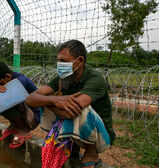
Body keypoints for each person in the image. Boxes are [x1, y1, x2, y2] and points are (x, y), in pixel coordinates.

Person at [25, 40, 115, 168]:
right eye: (58, 60)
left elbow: (72, 110)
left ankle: (91, 154)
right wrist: (54, 100)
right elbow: (30, 99)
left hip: (100, 136)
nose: (59, 65)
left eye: (64, 61)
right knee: (47, 100)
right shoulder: (63, 78)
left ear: (80, 61)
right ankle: (73, 149)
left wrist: (51, 101)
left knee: (77, 107)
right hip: (76, 131)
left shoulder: (95, 78)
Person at [0, 61, 40, 148]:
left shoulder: (21, 80)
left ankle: (24, 129)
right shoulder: (2, 80)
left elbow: (8, 96)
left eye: (0, 83)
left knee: (6, 99)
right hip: (25, 112)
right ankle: (15, 126)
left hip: (33, 117)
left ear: (7, 76)